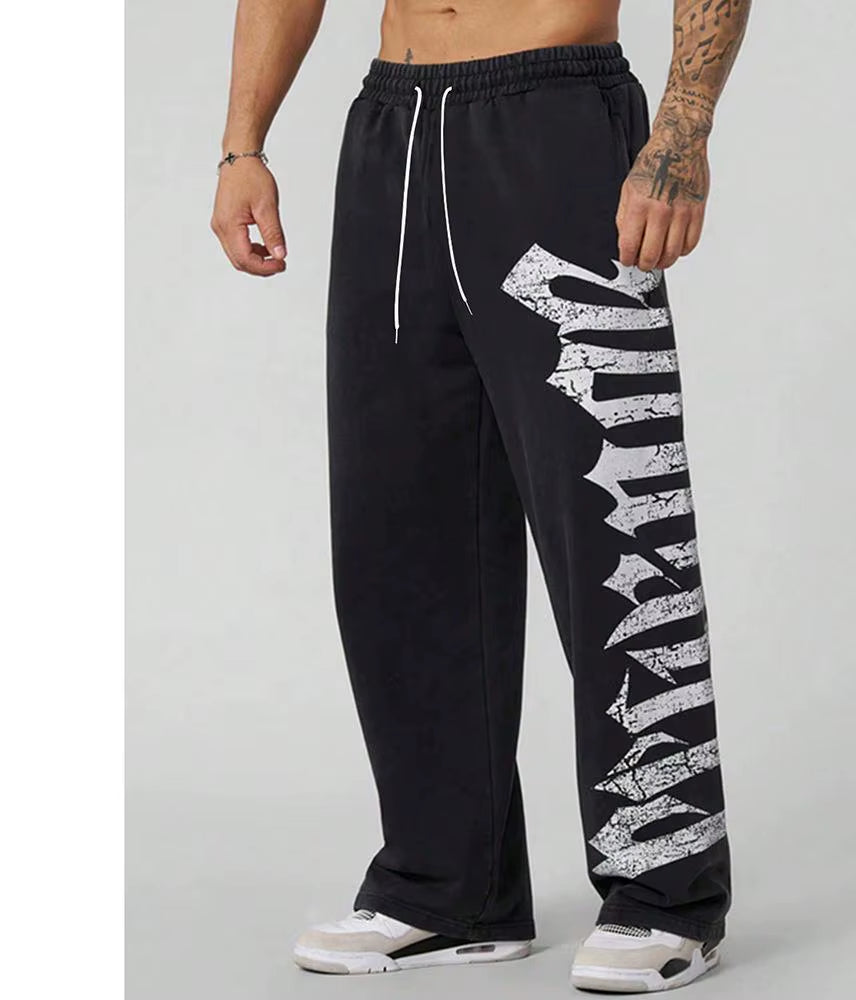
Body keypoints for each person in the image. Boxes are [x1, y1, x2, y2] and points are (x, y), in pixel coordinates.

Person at [211, 0, 750, 992]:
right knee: (398, 525)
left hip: (555, 122)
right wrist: (243, 144)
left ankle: (665, 889)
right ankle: (448, 885)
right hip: (391, 131)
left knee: (615, 515)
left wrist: (682, 127)